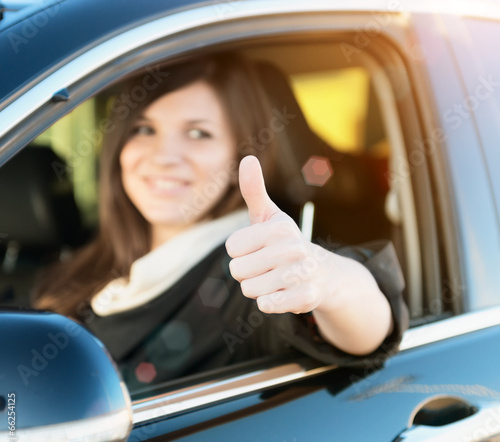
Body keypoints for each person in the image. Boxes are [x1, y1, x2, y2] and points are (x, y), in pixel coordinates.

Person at [33, 52, 408, 392]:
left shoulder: (249, 277)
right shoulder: (80, 264)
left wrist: (328, 280)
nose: (163, 156)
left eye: (198, 133)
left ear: (238, 159)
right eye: (144, 129)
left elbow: (368, 334)